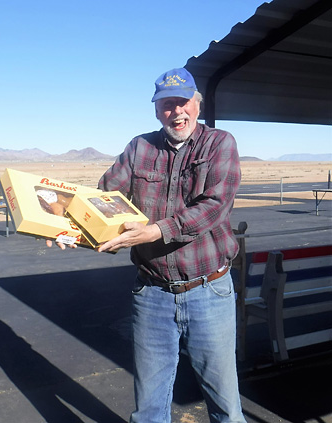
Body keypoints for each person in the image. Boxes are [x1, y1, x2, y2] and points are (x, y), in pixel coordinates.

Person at [50, 67, 246, 422]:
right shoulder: (139, 148)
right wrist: (68, 228)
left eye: (183, 102)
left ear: (197, 105)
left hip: (208, 289)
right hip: (152, 292)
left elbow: (214, 208)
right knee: (149, 407)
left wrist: (156, 231)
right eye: (168, 105)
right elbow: (105, 200)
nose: (177, 112)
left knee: (225, 404)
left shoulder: (220, 144)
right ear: (157, 111)